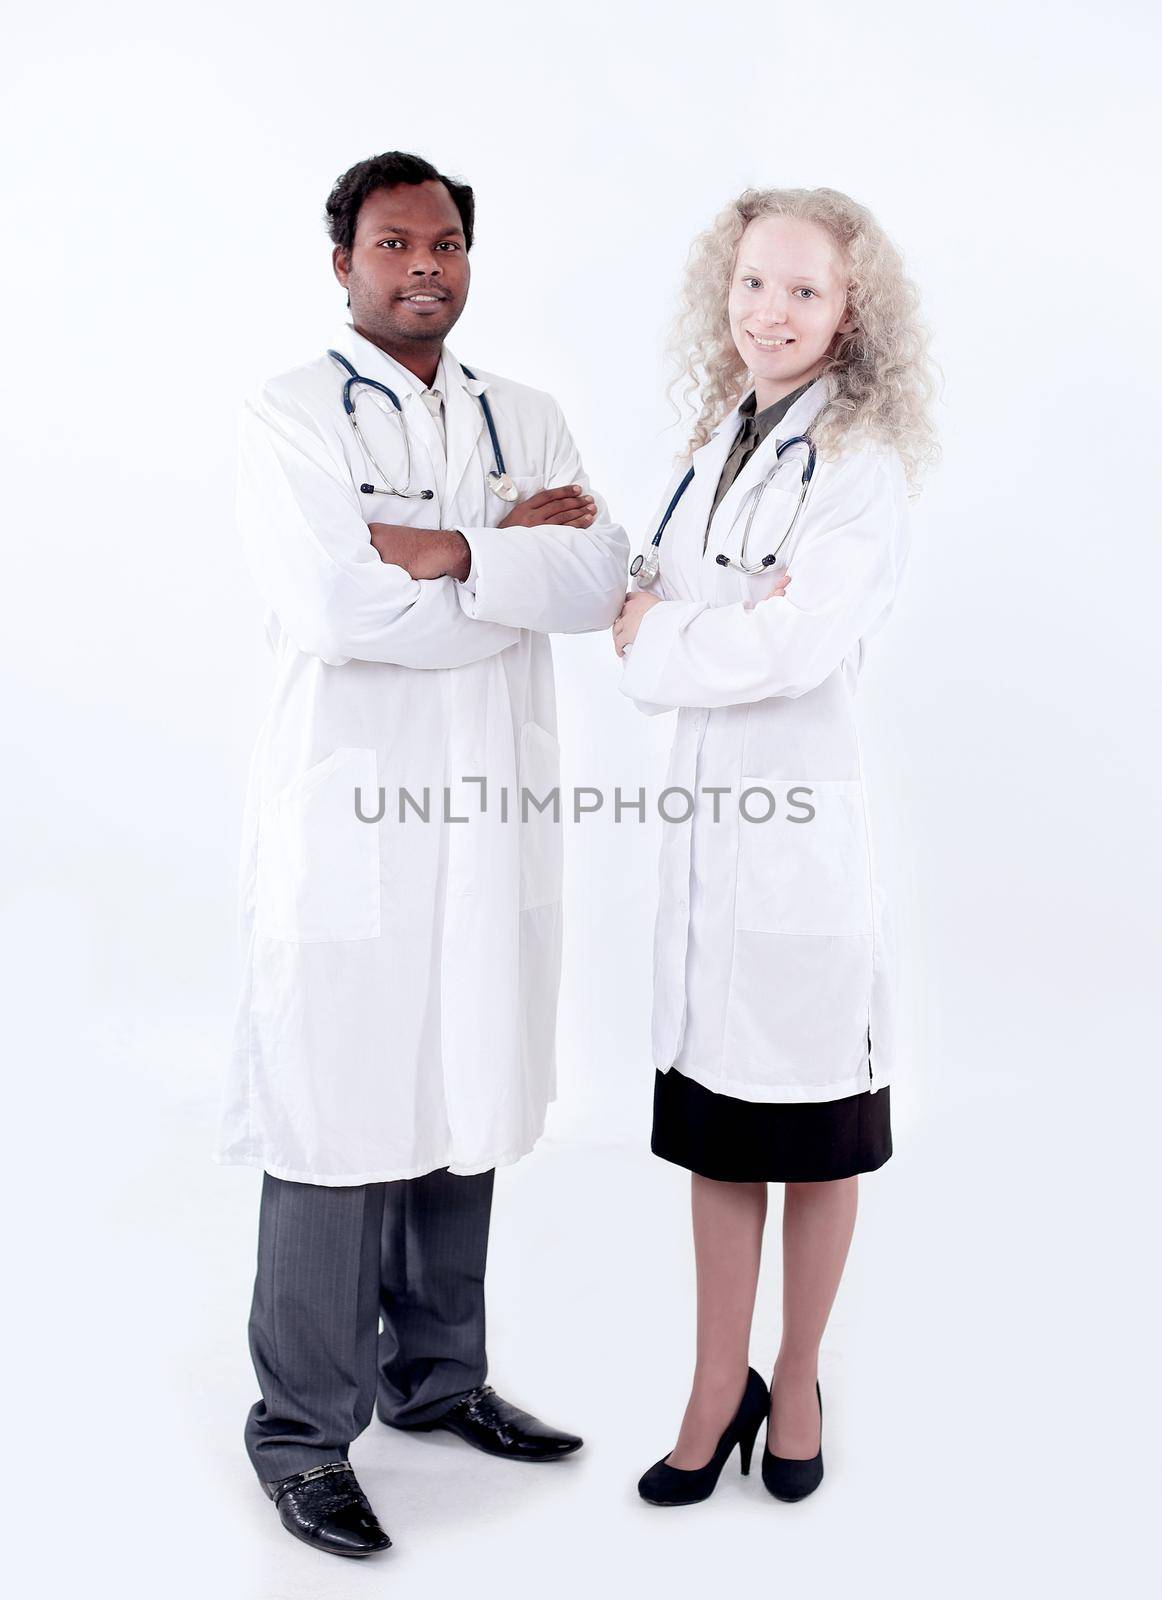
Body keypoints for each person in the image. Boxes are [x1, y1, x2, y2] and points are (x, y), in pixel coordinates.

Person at [216, 150, 629, 1558]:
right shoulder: (289, 417)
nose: (423, 266)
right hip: (356, 819)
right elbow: (336, 609)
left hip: (486, 813)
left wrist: (439, 549)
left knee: (469, 1090)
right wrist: (497, 552)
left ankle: (439, 1382)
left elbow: (594, 579)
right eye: (393, 243)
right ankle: (300, 1435)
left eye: (444, 241)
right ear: (344, 263)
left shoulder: (529, 413)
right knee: (337, 1118)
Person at [612, 187, 938, 1506]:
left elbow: (787, 643)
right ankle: (713, 1383)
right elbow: (691, 600)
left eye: (804, 290)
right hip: (711, 840)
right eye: (754, 282)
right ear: (723, 288)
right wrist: (659, 610)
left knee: (811, 1133)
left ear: (851, 313)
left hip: (799, 843)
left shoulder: (858, 469)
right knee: (715, 1132)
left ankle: (793, 1375)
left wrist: (656, 643)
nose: (771, 311)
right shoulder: (720, 442)